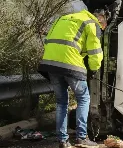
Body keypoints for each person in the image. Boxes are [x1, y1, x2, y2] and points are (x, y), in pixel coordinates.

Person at [38, 9, 107, 148]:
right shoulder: (92, 23)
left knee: (61, 102)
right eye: (103, 27)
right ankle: (82, 137)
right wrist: (93, 70)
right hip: (71, 64)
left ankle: (63, 141)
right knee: (83, 98)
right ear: (100, 19)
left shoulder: (62, 18)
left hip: (50, 63)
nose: (101, 29)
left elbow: (48, 41)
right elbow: (95, 53)